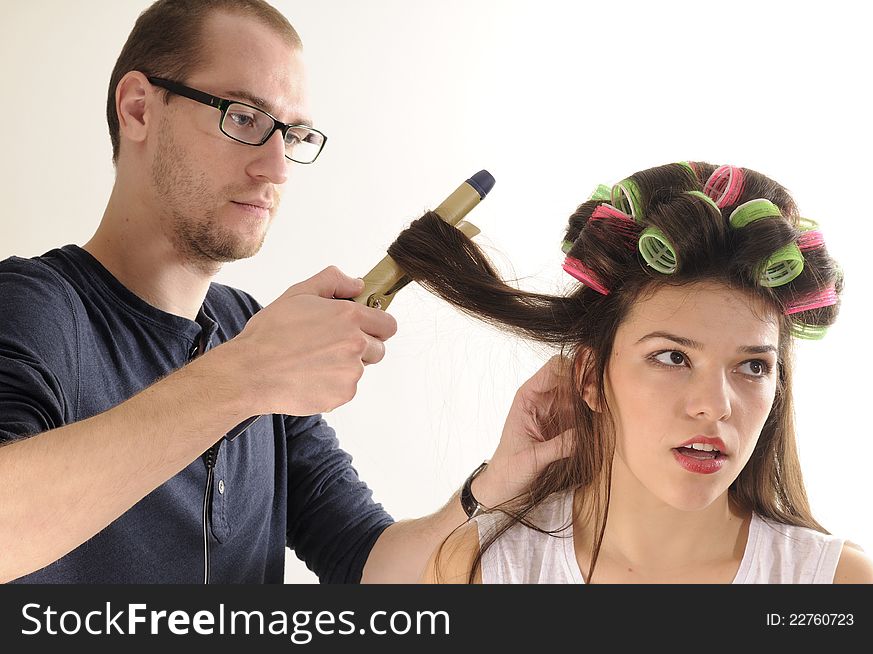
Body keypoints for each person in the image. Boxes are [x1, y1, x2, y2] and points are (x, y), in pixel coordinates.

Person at [0, 0, 570, 584]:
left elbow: (371, 566)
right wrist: (246, 377)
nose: (277, 167)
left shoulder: (247, 325)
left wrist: (496, 483)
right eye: (244, 117)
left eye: (294, 134)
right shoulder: (34, 308)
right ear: (139, 108)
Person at [391, 161, 873, 583]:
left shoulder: (834, 586)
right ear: (589, 376)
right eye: (672, 357)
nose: (715, 404)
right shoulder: (484, 572)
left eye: (753, 366)